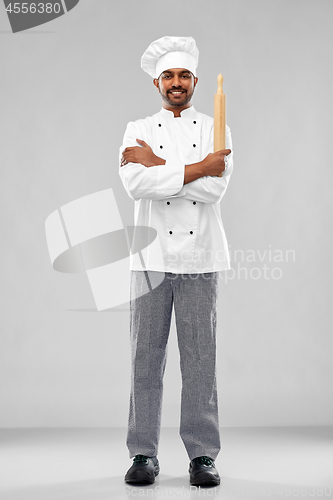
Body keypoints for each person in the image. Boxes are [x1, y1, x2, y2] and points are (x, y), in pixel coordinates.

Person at [119, 35, 233, 487]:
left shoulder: (215, 127)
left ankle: (203, 455)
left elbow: (215, 189)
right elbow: (135, 186)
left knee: (200, 360)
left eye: (184, 75)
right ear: (157, 82)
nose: (177, 82)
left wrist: (158, 165)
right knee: (144, 360)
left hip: (202, 257)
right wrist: (196, 167)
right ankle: (143, 453)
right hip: (149, 258)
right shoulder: (136, 128)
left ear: (196, 81)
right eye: (169, 75)